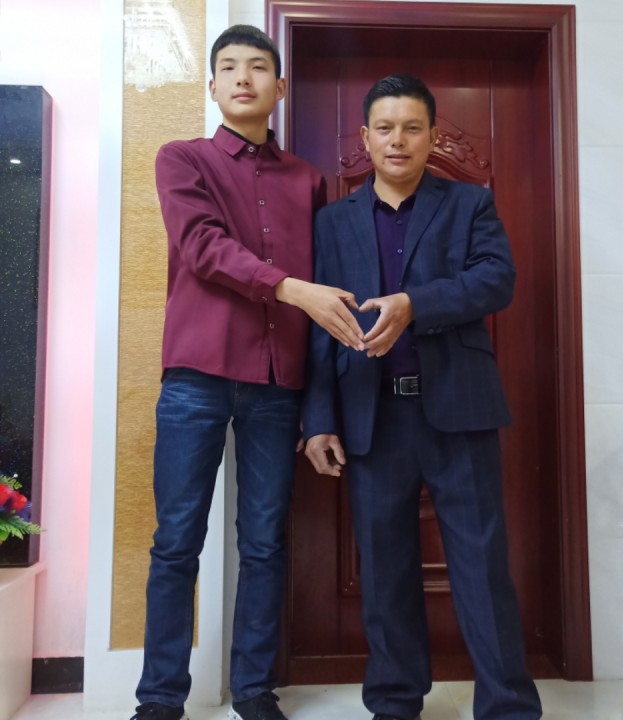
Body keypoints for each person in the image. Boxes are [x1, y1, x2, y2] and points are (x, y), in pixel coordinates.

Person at [131, 25, 364, 720]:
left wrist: (318, 409)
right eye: (228, 67)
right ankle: (160, 698)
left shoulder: (309, 181)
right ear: (211, 85)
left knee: (264, 542)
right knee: (177, 541)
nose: (242, 77)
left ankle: (255, 690)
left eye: (257, 67)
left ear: (279, 87)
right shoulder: (182, 159)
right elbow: (201, 246)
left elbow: (324, 297)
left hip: (276, 382)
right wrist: (290, 288)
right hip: (196, 376)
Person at [303, 75, 543, 720]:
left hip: (459, 411)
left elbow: (496, 280)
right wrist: (318, 419)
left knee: (482, 564)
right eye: (385, 128)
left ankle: (509, 707)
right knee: (384, 571)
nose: (398, 140)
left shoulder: (470, 204)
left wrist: (415, 304)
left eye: (412, 128)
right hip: (371, 415)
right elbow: (320, 326)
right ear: (365, 138)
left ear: (433, 136)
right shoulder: (332, 221)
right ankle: (394, 701)